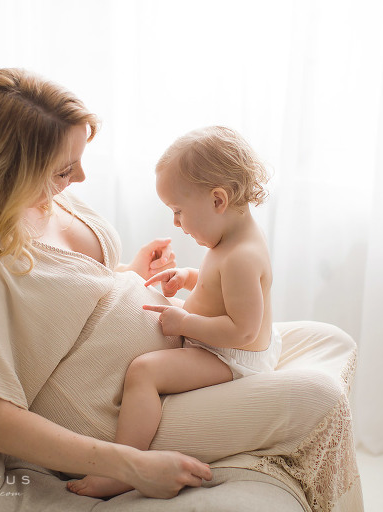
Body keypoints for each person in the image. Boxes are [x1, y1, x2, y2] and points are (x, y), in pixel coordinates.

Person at [0, 68, 363, 510]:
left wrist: (130, 271)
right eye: (63, 169)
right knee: (317, 399)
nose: (79, 178)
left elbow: (63, 290)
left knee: (332, 339)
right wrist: (128, 463)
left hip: (186, 354)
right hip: (125, 414)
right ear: (11, 170)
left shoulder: (41, 194)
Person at [68, 126, 282, 498]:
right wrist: (188, 279)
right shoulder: (233, 238)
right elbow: (220, 288)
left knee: (145, 371)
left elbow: (243, 331)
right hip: (227, 341)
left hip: (233, 356)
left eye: (178, 211)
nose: (176, 223)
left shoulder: (243, 257)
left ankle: (122, 467)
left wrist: (185, 322)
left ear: (218, 200)